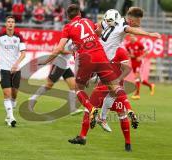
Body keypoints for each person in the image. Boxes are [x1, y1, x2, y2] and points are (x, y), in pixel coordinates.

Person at [38, 4, 139, 132]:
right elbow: (99, 31)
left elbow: (58, 49)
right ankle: (129, 108)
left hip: (85, 60)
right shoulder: (88, 21)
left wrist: (46, 61)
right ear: (80, 13)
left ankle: (91, 109)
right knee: (114, 86)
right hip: (100, 55)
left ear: (68, 16)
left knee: (78, 88)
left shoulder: (68, 27)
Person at [68, 8, 161, 146]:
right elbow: (132, 30)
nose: (139, 24)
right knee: (112, 89)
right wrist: (149, 34)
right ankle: (109, 115)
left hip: (93, 59)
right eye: (138, 21)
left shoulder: (110, 23)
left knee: (108, 91)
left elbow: (98, 27)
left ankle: (95, 124)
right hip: (101, 63)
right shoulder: (123, 25)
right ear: (131, 19)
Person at [29, 40, 83, 115]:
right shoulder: (67, 40)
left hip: (66, 65)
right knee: (49, 85)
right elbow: (60, 50)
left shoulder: (77, 40)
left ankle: (72, 109)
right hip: (59, 64)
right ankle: (32, 98)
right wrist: (71, 52)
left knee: (73, 86)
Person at [0, 16, 26, 127]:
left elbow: (23, 53)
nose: (10, 24)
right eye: (8, 22)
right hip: (3, 69)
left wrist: (16, 64)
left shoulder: (19, 37)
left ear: (14, 24)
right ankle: (11, 118)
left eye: (12, 22)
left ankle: (9, 115)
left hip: (16, 69)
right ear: (5, 24)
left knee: (14, 94)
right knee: (7, 93)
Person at [125, 35, 155, 100]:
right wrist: (130, 55)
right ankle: (151, 85)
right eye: (130, 37)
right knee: (140, 79)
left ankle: (137, 94)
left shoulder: (139, 44)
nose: (132, 38)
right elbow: (128, 54)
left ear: (135, 37)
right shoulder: (128, 45)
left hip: (139, 62)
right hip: (133, 63)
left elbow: (146, 52)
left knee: (137, 77)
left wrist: (141, 57)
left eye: (133, 36)